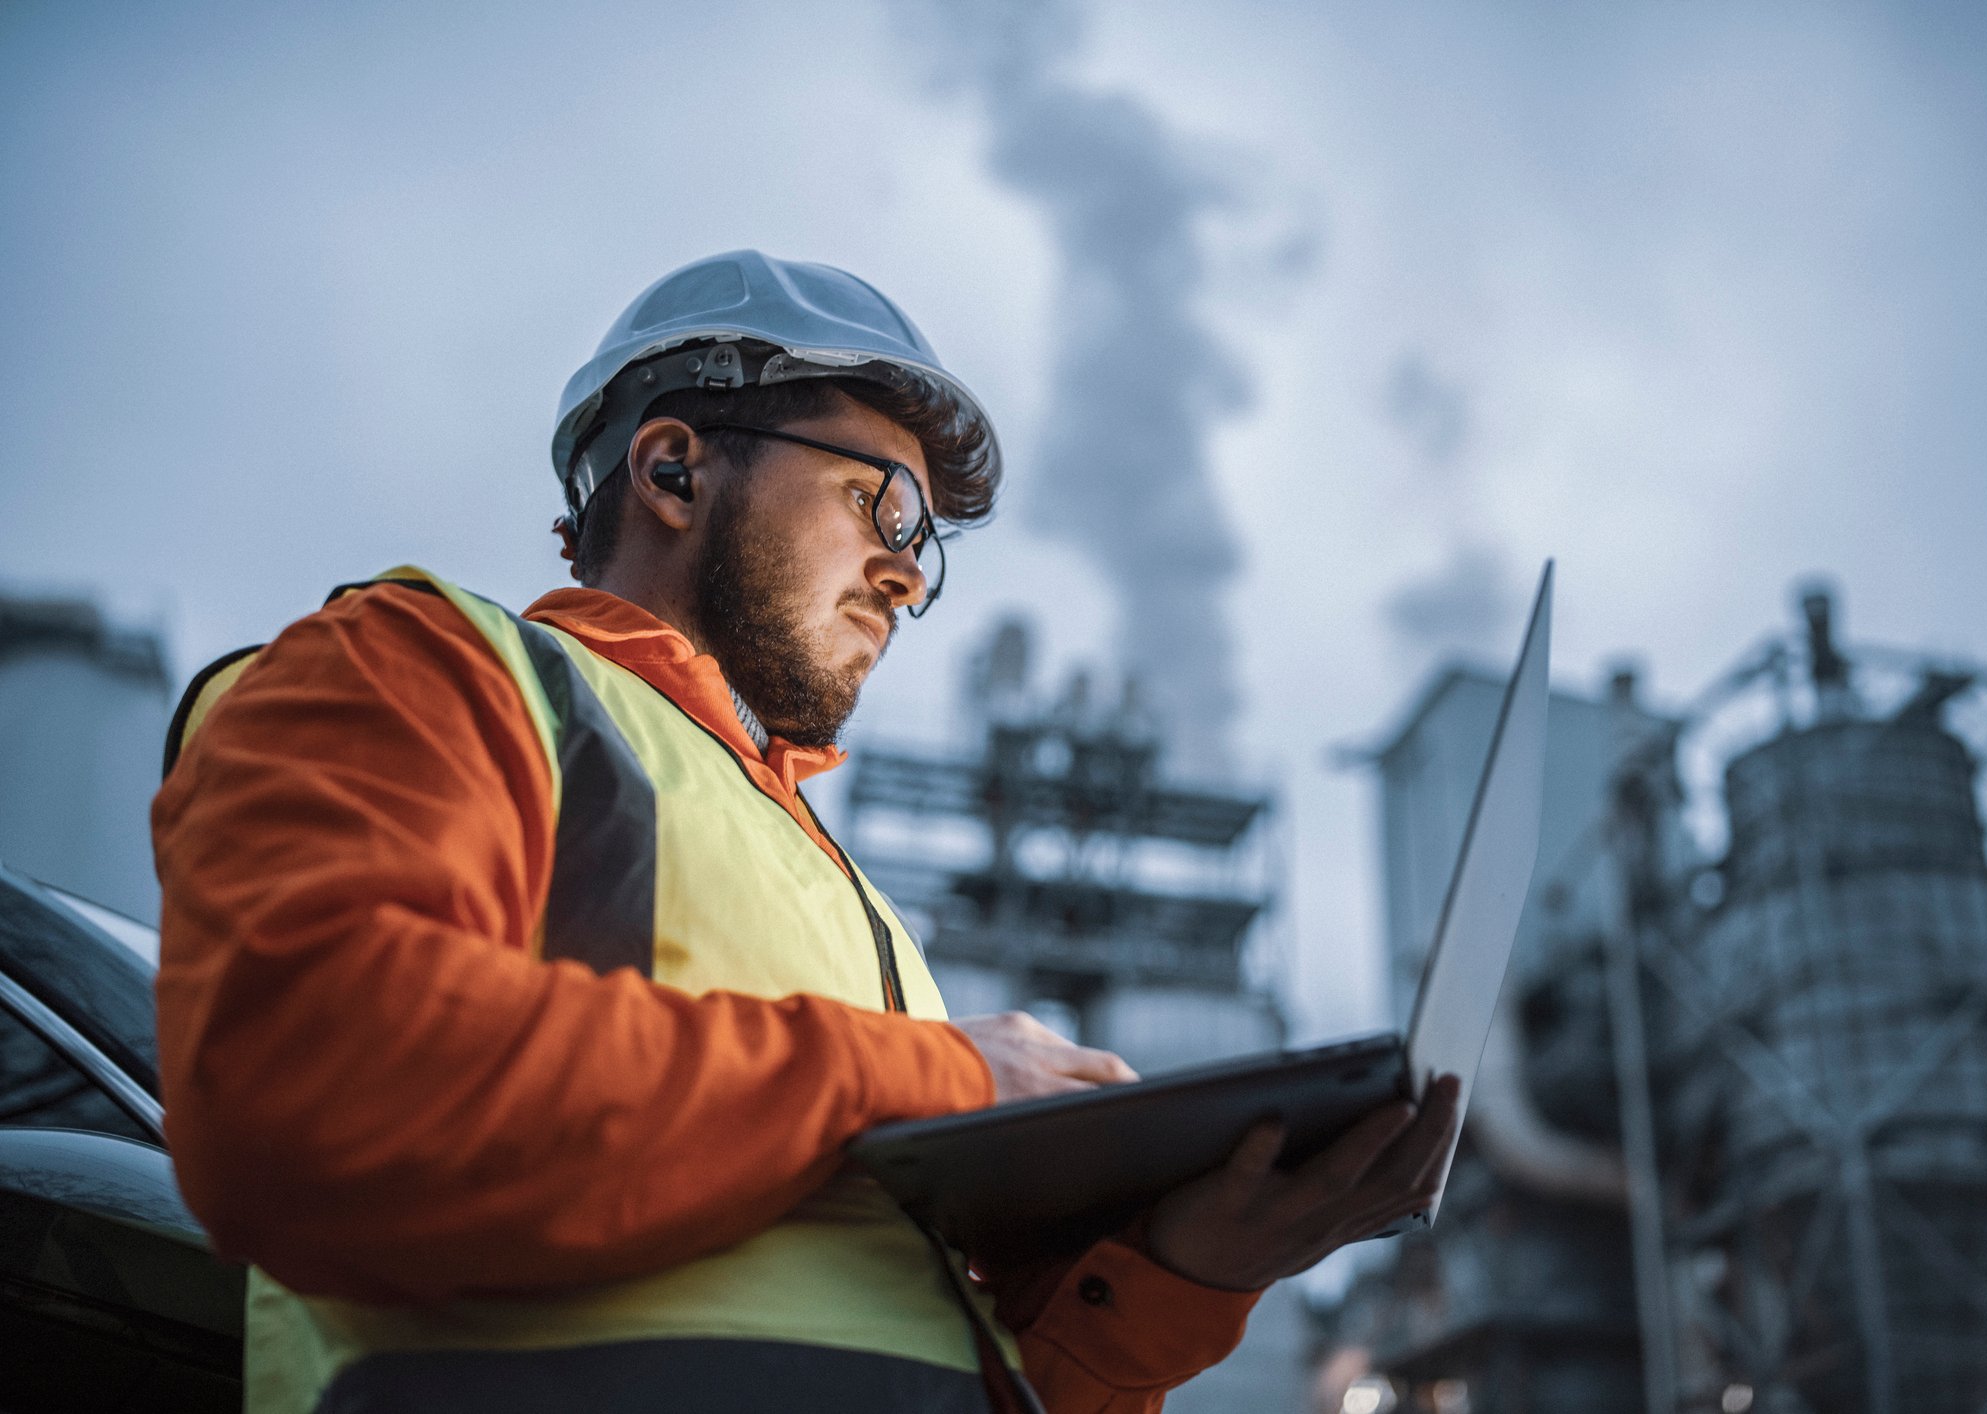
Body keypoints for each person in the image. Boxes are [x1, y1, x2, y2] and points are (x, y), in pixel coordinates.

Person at [152, 249, 1461, 1414]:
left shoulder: (853, 906)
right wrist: (938, 1077)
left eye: (925, 547)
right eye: (878, 505)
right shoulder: (425, 669)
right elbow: (308, 1084)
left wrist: (1183, 1269)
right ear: (673, 468)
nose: (905, 571)